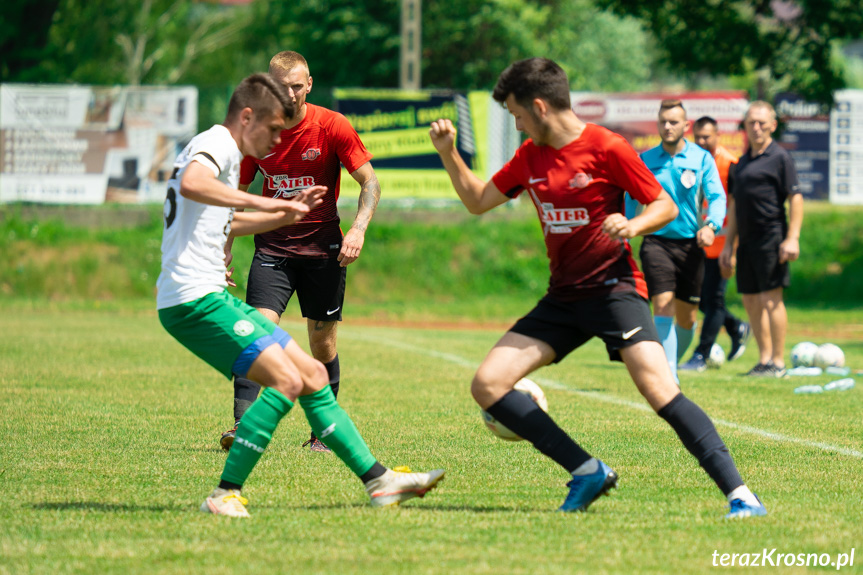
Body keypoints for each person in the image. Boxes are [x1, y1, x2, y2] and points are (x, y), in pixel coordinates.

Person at [428, 57, 765, 518]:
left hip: (614, 292)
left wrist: (633, 222)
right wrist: (449, 152)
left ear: (540, 107)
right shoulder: (530, 157)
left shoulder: (608, 147)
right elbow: (476, 200)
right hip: (563, 298)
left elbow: (663, 206)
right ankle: (587, 470)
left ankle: (741, 495)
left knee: (661, 393)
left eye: (518, 115)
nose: (518, 125)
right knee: (488, 383)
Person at [157, 73, 444, 517]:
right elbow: (193, 185)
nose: (276, 140)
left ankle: (381, 482)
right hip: (193, 301)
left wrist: (285, 211)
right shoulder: (216, 142)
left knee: (311, 372)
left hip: (209, 294)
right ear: (247, 117)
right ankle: (223, 494)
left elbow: (225, 223)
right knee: (288, 380)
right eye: (272, 129)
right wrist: (271, 205)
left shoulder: (238, 148)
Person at [221, 50, 381, 453]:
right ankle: (243, 426)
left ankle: (323, 434)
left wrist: (358, 229)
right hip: (272, 248)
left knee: (321, 344)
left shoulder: (331, 126)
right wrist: (223, 250)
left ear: (309, 85)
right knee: (254, 332)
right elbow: (235, 195)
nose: (290, 94)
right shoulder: (258, 131)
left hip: (324, 251)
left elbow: (370, 183)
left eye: (298, 85)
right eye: (282, 86)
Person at [629, 100, 726, 383]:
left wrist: (711, 225)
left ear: (686, 126)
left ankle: (671, 360)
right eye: (663, 121)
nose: (667, 126)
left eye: (673, 122)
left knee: (687, 318)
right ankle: (668, 374)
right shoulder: (646, 160)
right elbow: (631, 197)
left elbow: (717, 197)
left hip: (691, 245)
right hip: (656, 242)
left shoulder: (701, 159)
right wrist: (628, 227)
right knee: (662, 304)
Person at [719, 101, 803, 377]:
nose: (756, 127)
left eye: (761, 122)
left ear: (772, 125)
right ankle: (764, 359)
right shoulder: (740, 164)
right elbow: (733, 206)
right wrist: (729, 245)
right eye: (751, 122)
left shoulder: (780, 158)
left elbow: (796, 197)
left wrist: (792, 238)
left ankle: (778, 361)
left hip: (772, 237)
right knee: (751, 301)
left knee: (771, 299)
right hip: (746, 241)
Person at [679, 117, 750, 372]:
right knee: (704, 302)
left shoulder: (729, 164)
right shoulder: (689, 162)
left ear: (718, 135)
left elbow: (738, 208)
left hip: (722, 246)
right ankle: (736, 327)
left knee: (714, 299)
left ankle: (701, 353)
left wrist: (733, 247)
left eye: (706, 137)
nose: (701, 141)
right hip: (697, 244)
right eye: (697, 137)